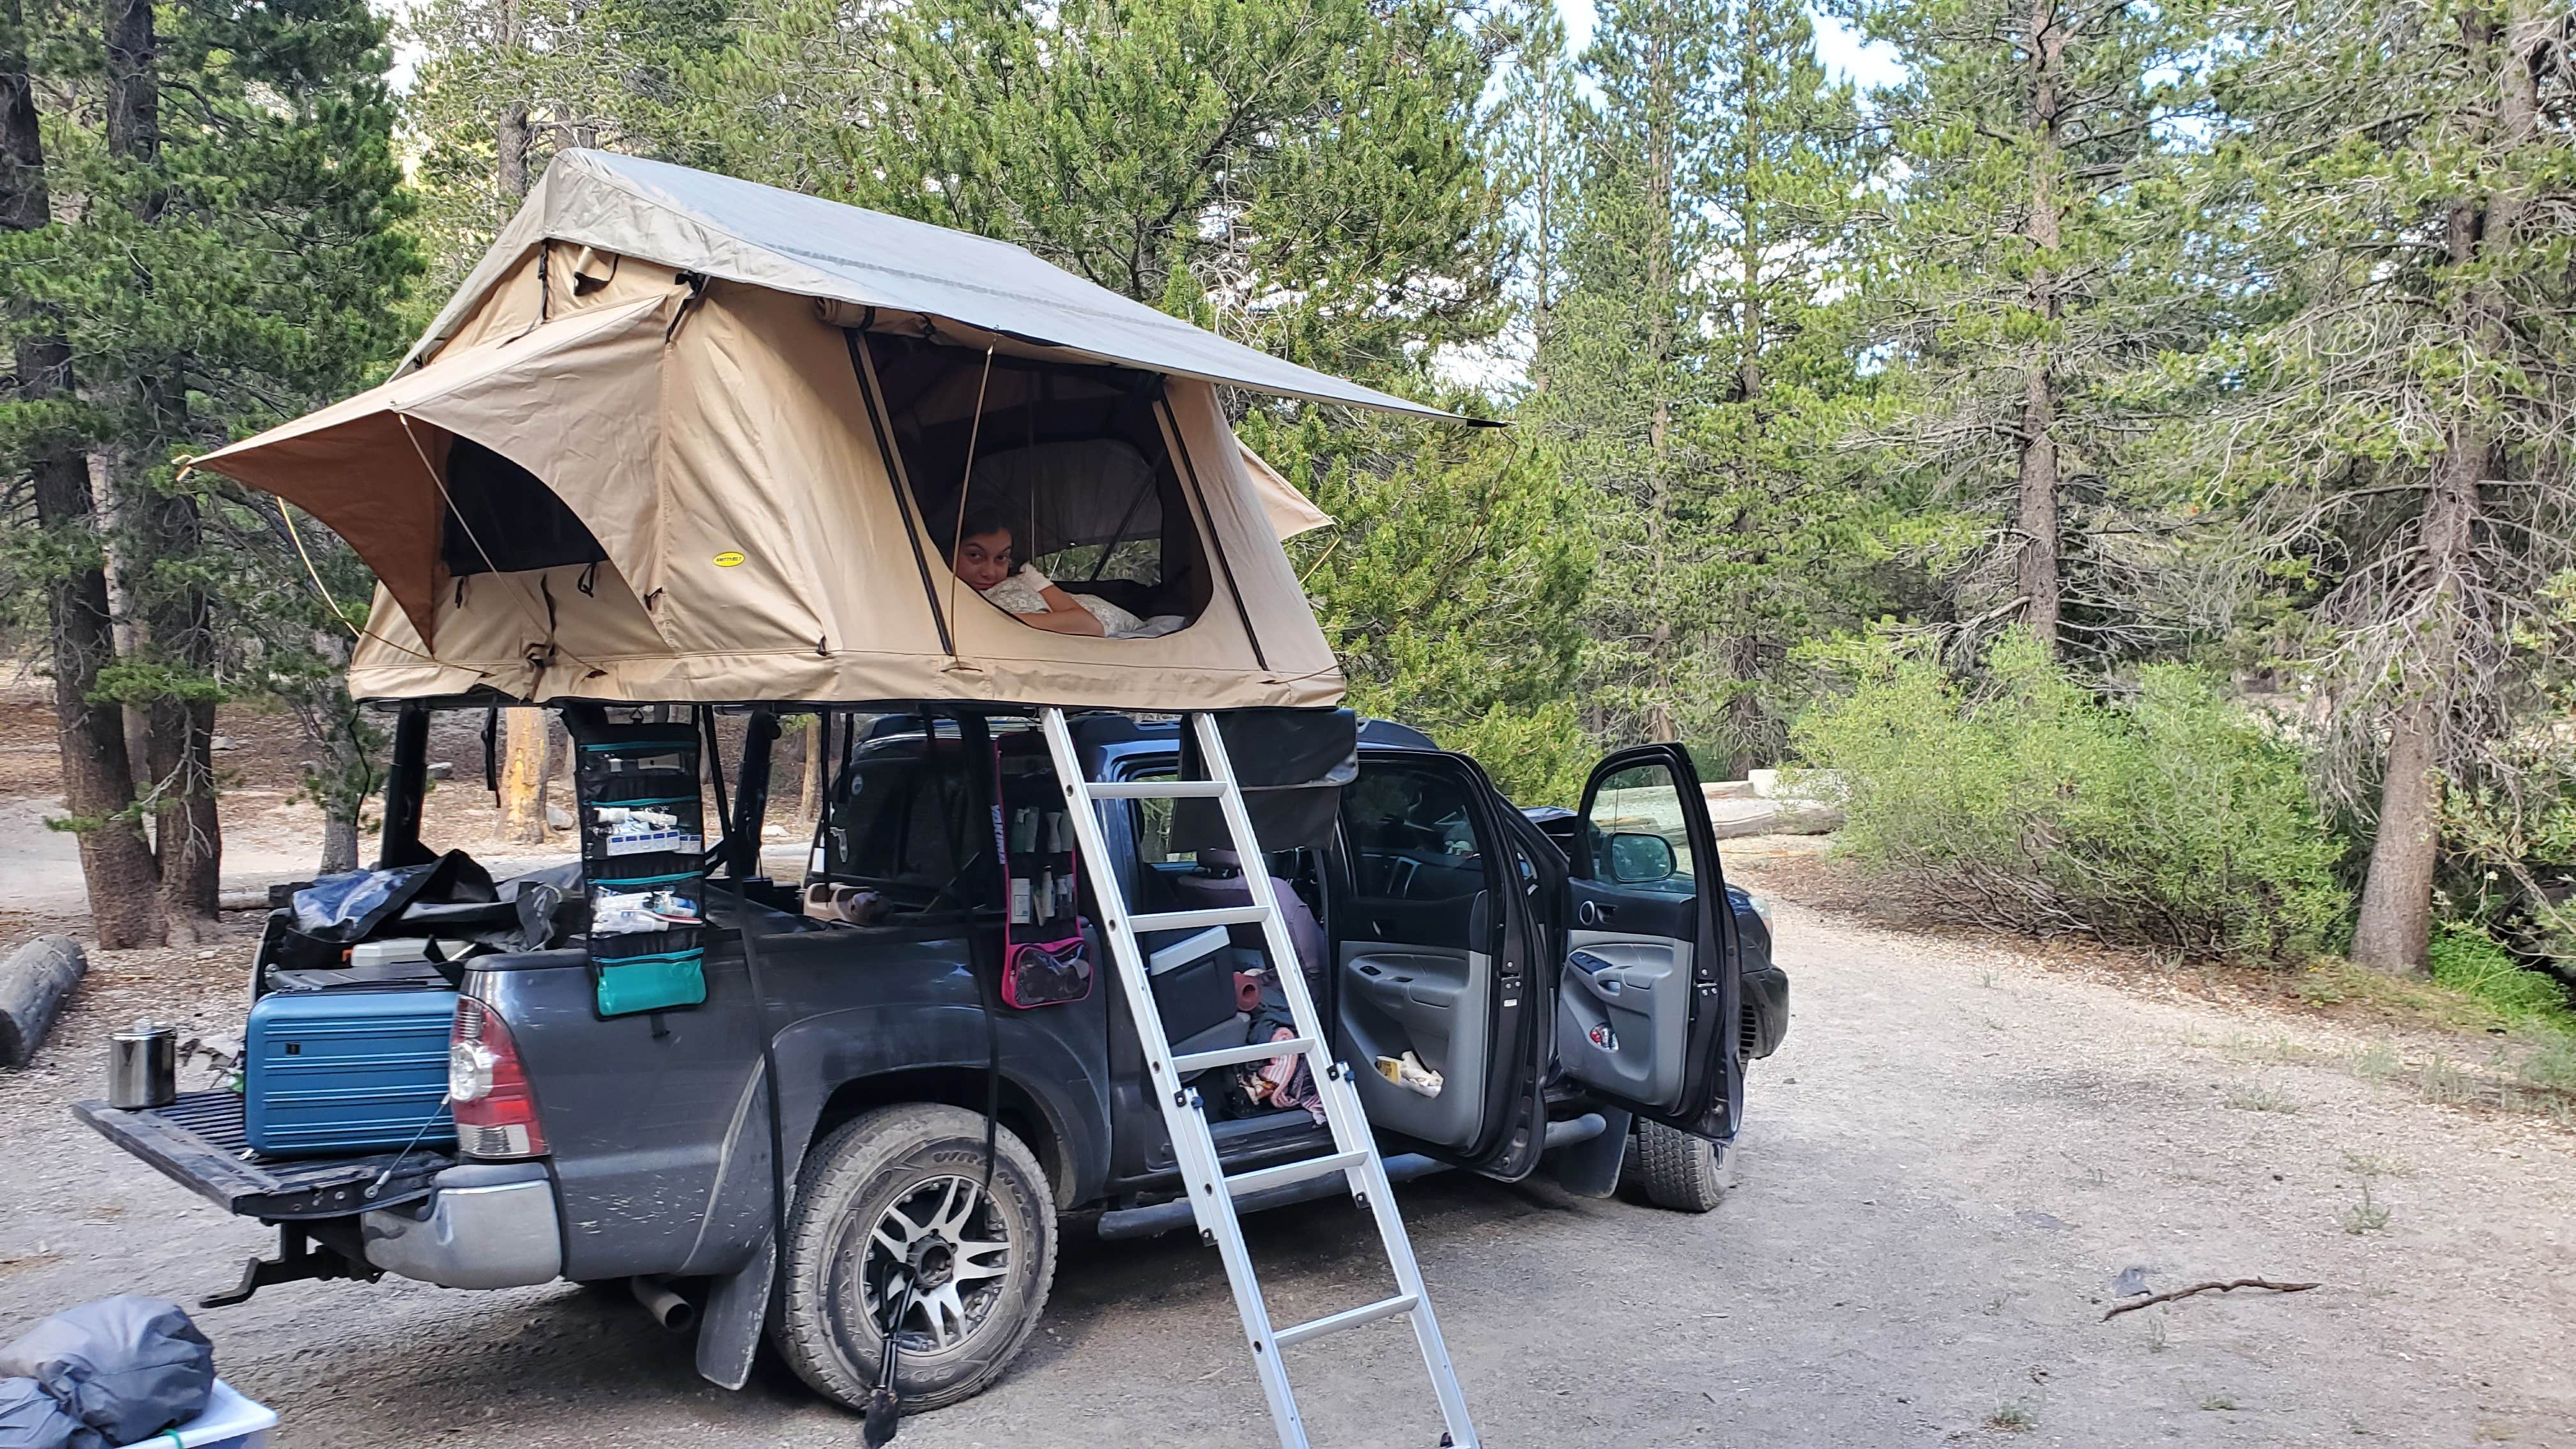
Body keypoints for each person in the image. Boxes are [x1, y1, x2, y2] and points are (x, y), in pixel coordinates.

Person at [944, 507, 1138, 636]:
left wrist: (1000, 622)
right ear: (949, 551)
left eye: (1001, 558)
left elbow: (1090, 625)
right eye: (975, 556)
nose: (989, 572)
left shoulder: (1021, 573)